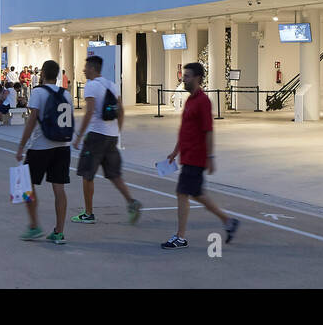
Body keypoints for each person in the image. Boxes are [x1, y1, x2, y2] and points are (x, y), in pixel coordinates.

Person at [161, 62, 238, 250]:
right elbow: (185, 129)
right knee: (196, 194)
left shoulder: (203, 101)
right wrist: (175, 151)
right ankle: (228, 221)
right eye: (183, 76)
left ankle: (180, 237)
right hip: (187, 155)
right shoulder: (189, 100)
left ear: (197, 78)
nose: (183, 79)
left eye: (187, 76)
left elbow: (208, 131)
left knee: (183, 193)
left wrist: (210, 157)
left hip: (196, 156)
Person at [71, 54, 142, 225]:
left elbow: (89, 112)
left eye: (86, 67)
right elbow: (121, 111)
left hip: (95, 136)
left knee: (87, 175)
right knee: (114, 174)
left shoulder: (91, 86)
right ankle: (131, 202)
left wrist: (79, 136)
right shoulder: (112, 85)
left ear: (93, 69)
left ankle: (88, 213)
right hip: (110, 136)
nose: (83, 70)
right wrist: (118, 132)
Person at [15, 59, 73, 244]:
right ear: (57, 75)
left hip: (41, 146)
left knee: (25, 185)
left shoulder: (38, 92)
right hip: (63, 147)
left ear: (42, 74)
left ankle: (34, 225)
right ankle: (59, 231)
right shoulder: (66, 94)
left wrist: (21, 146)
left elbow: (32, 121)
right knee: (59, 189)